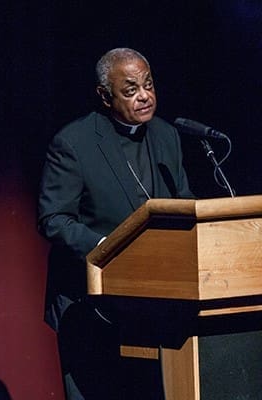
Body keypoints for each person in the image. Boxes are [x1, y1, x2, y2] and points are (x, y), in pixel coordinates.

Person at [37, 47, 194, 400]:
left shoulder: (167, 135)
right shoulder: (73, 143)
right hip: (90, 306)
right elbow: (54, 219)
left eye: (149, 84)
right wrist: (109, 247)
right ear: (105, 96)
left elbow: (184, 203)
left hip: (154, 304)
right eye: (131, 89)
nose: (144, 96)